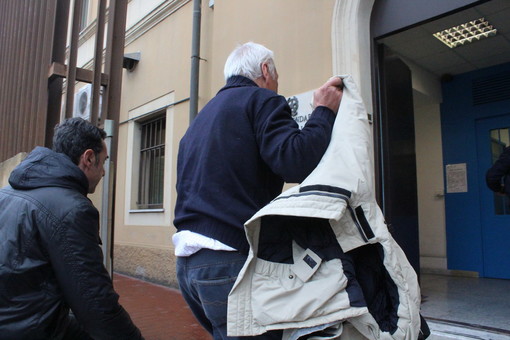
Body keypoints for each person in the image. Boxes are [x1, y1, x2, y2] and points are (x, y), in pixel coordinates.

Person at [173, 42, 343, 339]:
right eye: (276, 76)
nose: (277, 84)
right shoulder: (262, 100)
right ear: (265, 70)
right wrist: (323, 112)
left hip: (189, 268)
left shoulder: (200, 119)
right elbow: (295, 162)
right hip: (229, 261)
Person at [0, 118, 144, 340]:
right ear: (88, 158)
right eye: (103, 162)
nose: (104, 172)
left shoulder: (7, 193)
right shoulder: (72, 209)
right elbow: (95, 302)